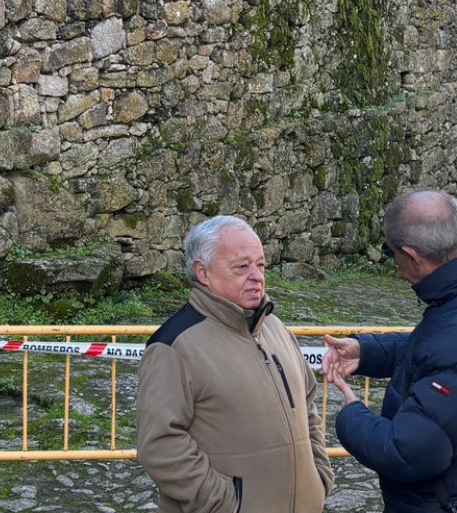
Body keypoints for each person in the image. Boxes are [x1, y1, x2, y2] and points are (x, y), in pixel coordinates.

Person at [324, 190, 457, 513]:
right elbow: (440, 354)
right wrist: (367, 352)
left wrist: (351, 416)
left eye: (391, 253)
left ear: (411, 256)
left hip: (454, 501)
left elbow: (411, 453)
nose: (395, 264)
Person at [137, 215, 334, 513]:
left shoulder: (276, 328)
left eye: (261, 264)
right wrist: (227, 504)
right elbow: (161, 445)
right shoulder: (173, 346)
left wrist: (319, 476)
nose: (257, 275)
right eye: (242, 266)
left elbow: (307, 405)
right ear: (202, 273)